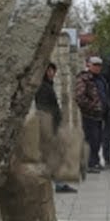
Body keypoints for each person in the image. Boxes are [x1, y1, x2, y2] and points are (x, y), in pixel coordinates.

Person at [33, 62, 76, 193]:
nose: (52, 73)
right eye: (50, 71)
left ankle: (56, 181)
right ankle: (58, 183)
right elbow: (45, 108)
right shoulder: (43, 87)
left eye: (53, 71)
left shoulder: (47, 86)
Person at [74, 55, 109, 172]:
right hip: (89, 115)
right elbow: (79, 97)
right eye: (95, 65)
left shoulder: (101, 79)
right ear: (89, 65)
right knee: (90, 139)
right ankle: (89, 163)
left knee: (98, 139)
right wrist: (92, 106)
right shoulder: (84, 78)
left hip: (100, 115)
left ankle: (95, 161)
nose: (97, 68)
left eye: (99, 65)